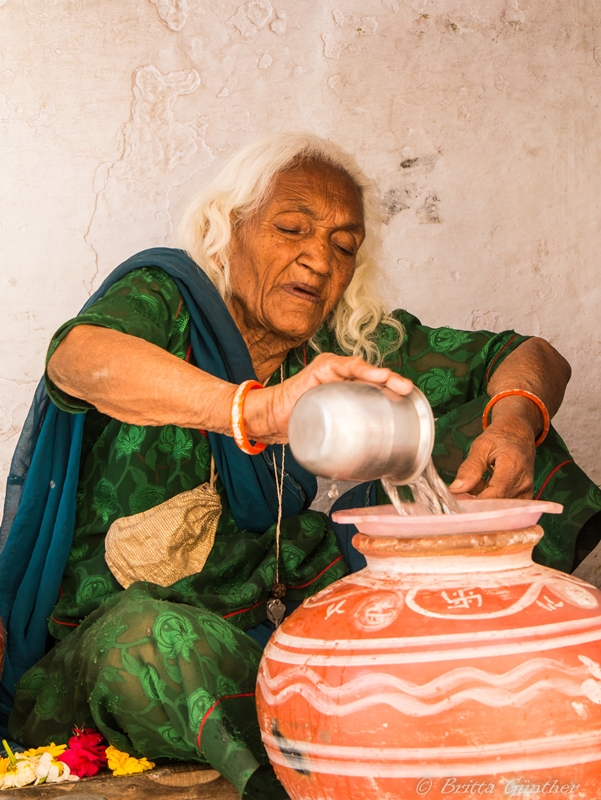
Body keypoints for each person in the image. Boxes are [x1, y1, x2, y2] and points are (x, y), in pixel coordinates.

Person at [0, 132, 599, 799]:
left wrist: (513, 423)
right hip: (142, 635)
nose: (318, 258)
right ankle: (304, 769)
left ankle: (452, 676)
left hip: (278, 613)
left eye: (343, 246)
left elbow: (528, 355)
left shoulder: (340, 340)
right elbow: (77, 358)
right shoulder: (168, 299)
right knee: (146, 644)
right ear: (226, 230)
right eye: (292, 229)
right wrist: (255, 411)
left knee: (514, 441)